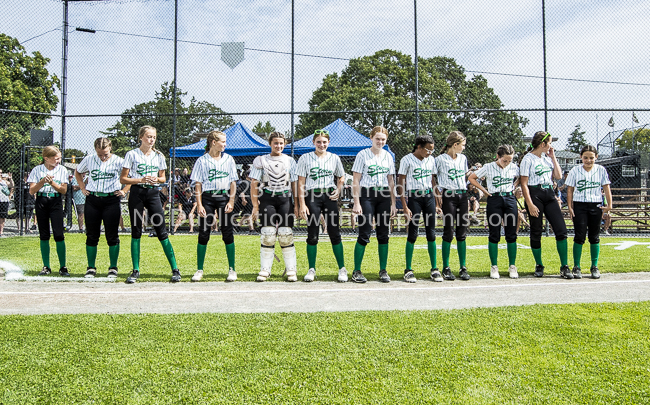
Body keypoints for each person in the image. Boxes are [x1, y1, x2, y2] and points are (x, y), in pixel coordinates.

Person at [120, 125, 181, 283]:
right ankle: (135, 270)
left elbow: (163, 178)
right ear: (141, 137)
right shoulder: (132, 154)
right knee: (136, 230)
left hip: (153, 194)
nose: (151, 139)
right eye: (148, 136)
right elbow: (123, 179)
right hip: (137, 193)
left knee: (161, 231)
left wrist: (156, 179)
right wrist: (140, 179)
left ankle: (175, 269)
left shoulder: (159, 156)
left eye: (153, 137)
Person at [296, 129, 347, 282]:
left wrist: (339, 189)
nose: (321, 144)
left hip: (329, 196)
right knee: (312, 234)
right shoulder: (305, 158)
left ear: (328, 143)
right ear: (313, 142)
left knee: (334, 232)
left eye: (324, 142)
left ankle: (342, 269)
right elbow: (301, 182)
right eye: (318, 142)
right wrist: (302, 204)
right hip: (312, 195)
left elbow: (341, 176)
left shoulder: (334, 158)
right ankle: (311, 269)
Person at [75, 138, 129, 278]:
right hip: (93, 199)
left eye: (105, 154)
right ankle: (91, 267)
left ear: (110, 148)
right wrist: (82, 187)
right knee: (92, 234)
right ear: (95, 150)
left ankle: (113, 267)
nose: (103, 157)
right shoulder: (89, 159)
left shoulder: (118, 160)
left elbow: (130, 176)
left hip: (111, 199)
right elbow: (78, 172)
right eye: (100, 154)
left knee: (112, 235)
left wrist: (124, 190)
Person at [250, 132, 299, 282]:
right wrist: (255, 206)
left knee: (285, 234)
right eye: (275, 143)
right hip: (267, 198)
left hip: (285, 198)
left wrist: (296, 204)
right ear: (270, 144)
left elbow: (295, 184)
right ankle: (265, 269)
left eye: (281, 143)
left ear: (285, 144)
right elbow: (254, 183)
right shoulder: (261, 160)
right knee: (268, 234)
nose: (278, 146)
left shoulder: (290, 160)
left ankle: (291, 269)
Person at [519, 131, 570, 278]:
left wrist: (553, 157)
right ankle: (539, 264)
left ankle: (564, 265)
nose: (550, 146)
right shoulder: (528, 159)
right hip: (535, 193)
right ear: (542, 144)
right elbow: (524, 183)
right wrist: (529, 204)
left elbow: (559, 176)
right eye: (549, 143)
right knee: (536, 230)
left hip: (549, 193)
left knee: (561, 230)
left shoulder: (547, 159)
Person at [190, 130, 238, 282]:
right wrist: (199, 204)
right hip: (207, 198)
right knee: (204, 233)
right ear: (213, 142)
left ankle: (232, 269)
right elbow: (198, 184)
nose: (225, 144)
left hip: (224, 197)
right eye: (222, 142)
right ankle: (199, 269)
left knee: (227, 233)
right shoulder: (202, 161)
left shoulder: (229, 159)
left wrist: (231, 201)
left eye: (225, 142)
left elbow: (233, 182)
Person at [351, 126, 397, 283]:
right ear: (371, 138)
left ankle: (383, 270)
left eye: (383, 139)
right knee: (364, 233)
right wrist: (356, 202)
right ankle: (356, 270)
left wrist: (393, 203)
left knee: (383, 234)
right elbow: (356, 180)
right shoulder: (362, 154)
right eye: (377, 138)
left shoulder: (388, 156)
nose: (380, 141)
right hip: (367, 195)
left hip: (383, 195)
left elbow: (391, 181)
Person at [468, 145, 520, 279]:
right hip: (494, 199)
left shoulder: (513, 167)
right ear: (498, 156)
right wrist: (484, 191)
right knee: (494, 233)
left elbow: (522, 177)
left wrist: (514, 186)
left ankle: (512, 266)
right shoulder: (488, 166)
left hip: (509, 198)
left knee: (511, 233)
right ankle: (494, 266)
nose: (507, 163)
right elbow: (472, 178)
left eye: (509, 160)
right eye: (504, 160)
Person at [398, 135, 441, 282]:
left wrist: (437, 202)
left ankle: (434, 269)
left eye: (432, 150)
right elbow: (401, 184)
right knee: (413, 233)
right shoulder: (406, 160)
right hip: (414, 197)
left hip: (428, 197)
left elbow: (432, 180)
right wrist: (404, 206)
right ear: (419, 147)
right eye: (428, 150)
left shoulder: (431, 160)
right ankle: (408, 270)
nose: (430, 153)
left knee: (432, 233)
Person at [566, 145, 612, 279]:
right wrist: (570, 206)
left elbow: (606, 187)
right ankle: (577, 266)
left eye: (591, 158)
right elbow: (570, 190)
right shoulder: (575, 170)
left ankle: (594, 266)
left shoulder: (601, 170)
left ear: (596, 157)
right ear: (581, 157)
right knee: (579, 236)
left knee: (594, 236)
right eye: (585, 157)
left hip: (596, 205)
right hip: (579, 205)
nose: (588, 160)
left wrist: (609, 205)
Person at [28, 146, 70, 276]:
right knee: (44, 234)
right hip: (41, 201)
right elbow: (32, 190)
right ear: (46, 158)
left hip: (55, 201)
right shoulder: (37, 170)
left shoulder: (62, 169)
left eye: (59, 158)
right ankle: (46, 266)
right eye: (56, 158)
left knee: (59, 234)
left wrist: (52, 183)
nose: (58, 161)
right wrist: (42, 181)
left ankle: (63, 266)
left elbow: (63, 190)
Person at [435, 131, 470, 281]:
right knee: (448, 231)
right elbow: (433, 179)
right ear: (455, 145)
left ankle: (463, 267)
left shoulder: (462, 158)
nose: (463, 148)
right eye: (462, 145)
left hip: (462, 195)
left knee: (462, 232)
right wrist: (438, 197)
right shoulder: (439, 160)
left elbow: (464, 177)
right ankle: (446, 267)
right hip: (448, 196)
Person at [0, 169, 14, 237]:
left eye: (1, 173)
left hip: (4, 201)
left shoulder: (4, 181)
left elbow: (12, 186)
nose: (0, 174)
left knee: (3, 217)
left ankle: (1, 232)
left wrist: (10, 179)